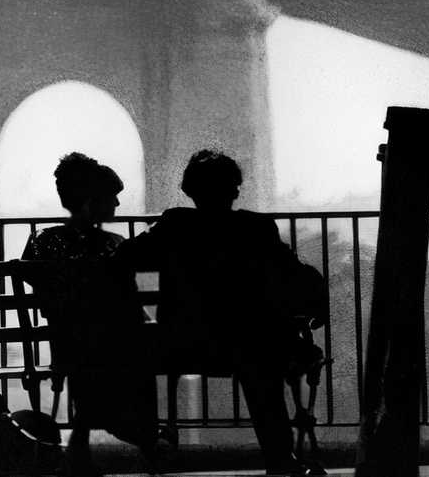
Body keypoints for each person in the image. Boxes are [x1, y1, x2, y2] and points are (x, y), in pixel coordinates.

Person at [113, 150, 320, 477]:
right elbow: (293, 275)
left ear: (190, 190)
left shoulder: (173, 226)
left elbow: (125, 260)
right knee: (262, 364)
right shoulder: (257, 228)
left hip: (181, 346)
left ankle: (153, 448)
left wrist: (148, 317)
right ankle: (280, 459)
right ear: (234, 189)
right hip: (247, 346)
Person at [19, 153, 162, 476]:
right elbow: (144, 289)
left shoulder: (43, 242)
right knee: (127, 355)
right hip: (114, 344)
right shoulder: (116, 245)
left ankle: (85, 441)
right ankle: (144, 439)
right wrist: (150, 321)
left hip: (68, 344)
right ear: (91, 201)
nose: (117, 204)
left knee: (92, 352)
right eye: (112, 197)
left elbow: (37, 283)